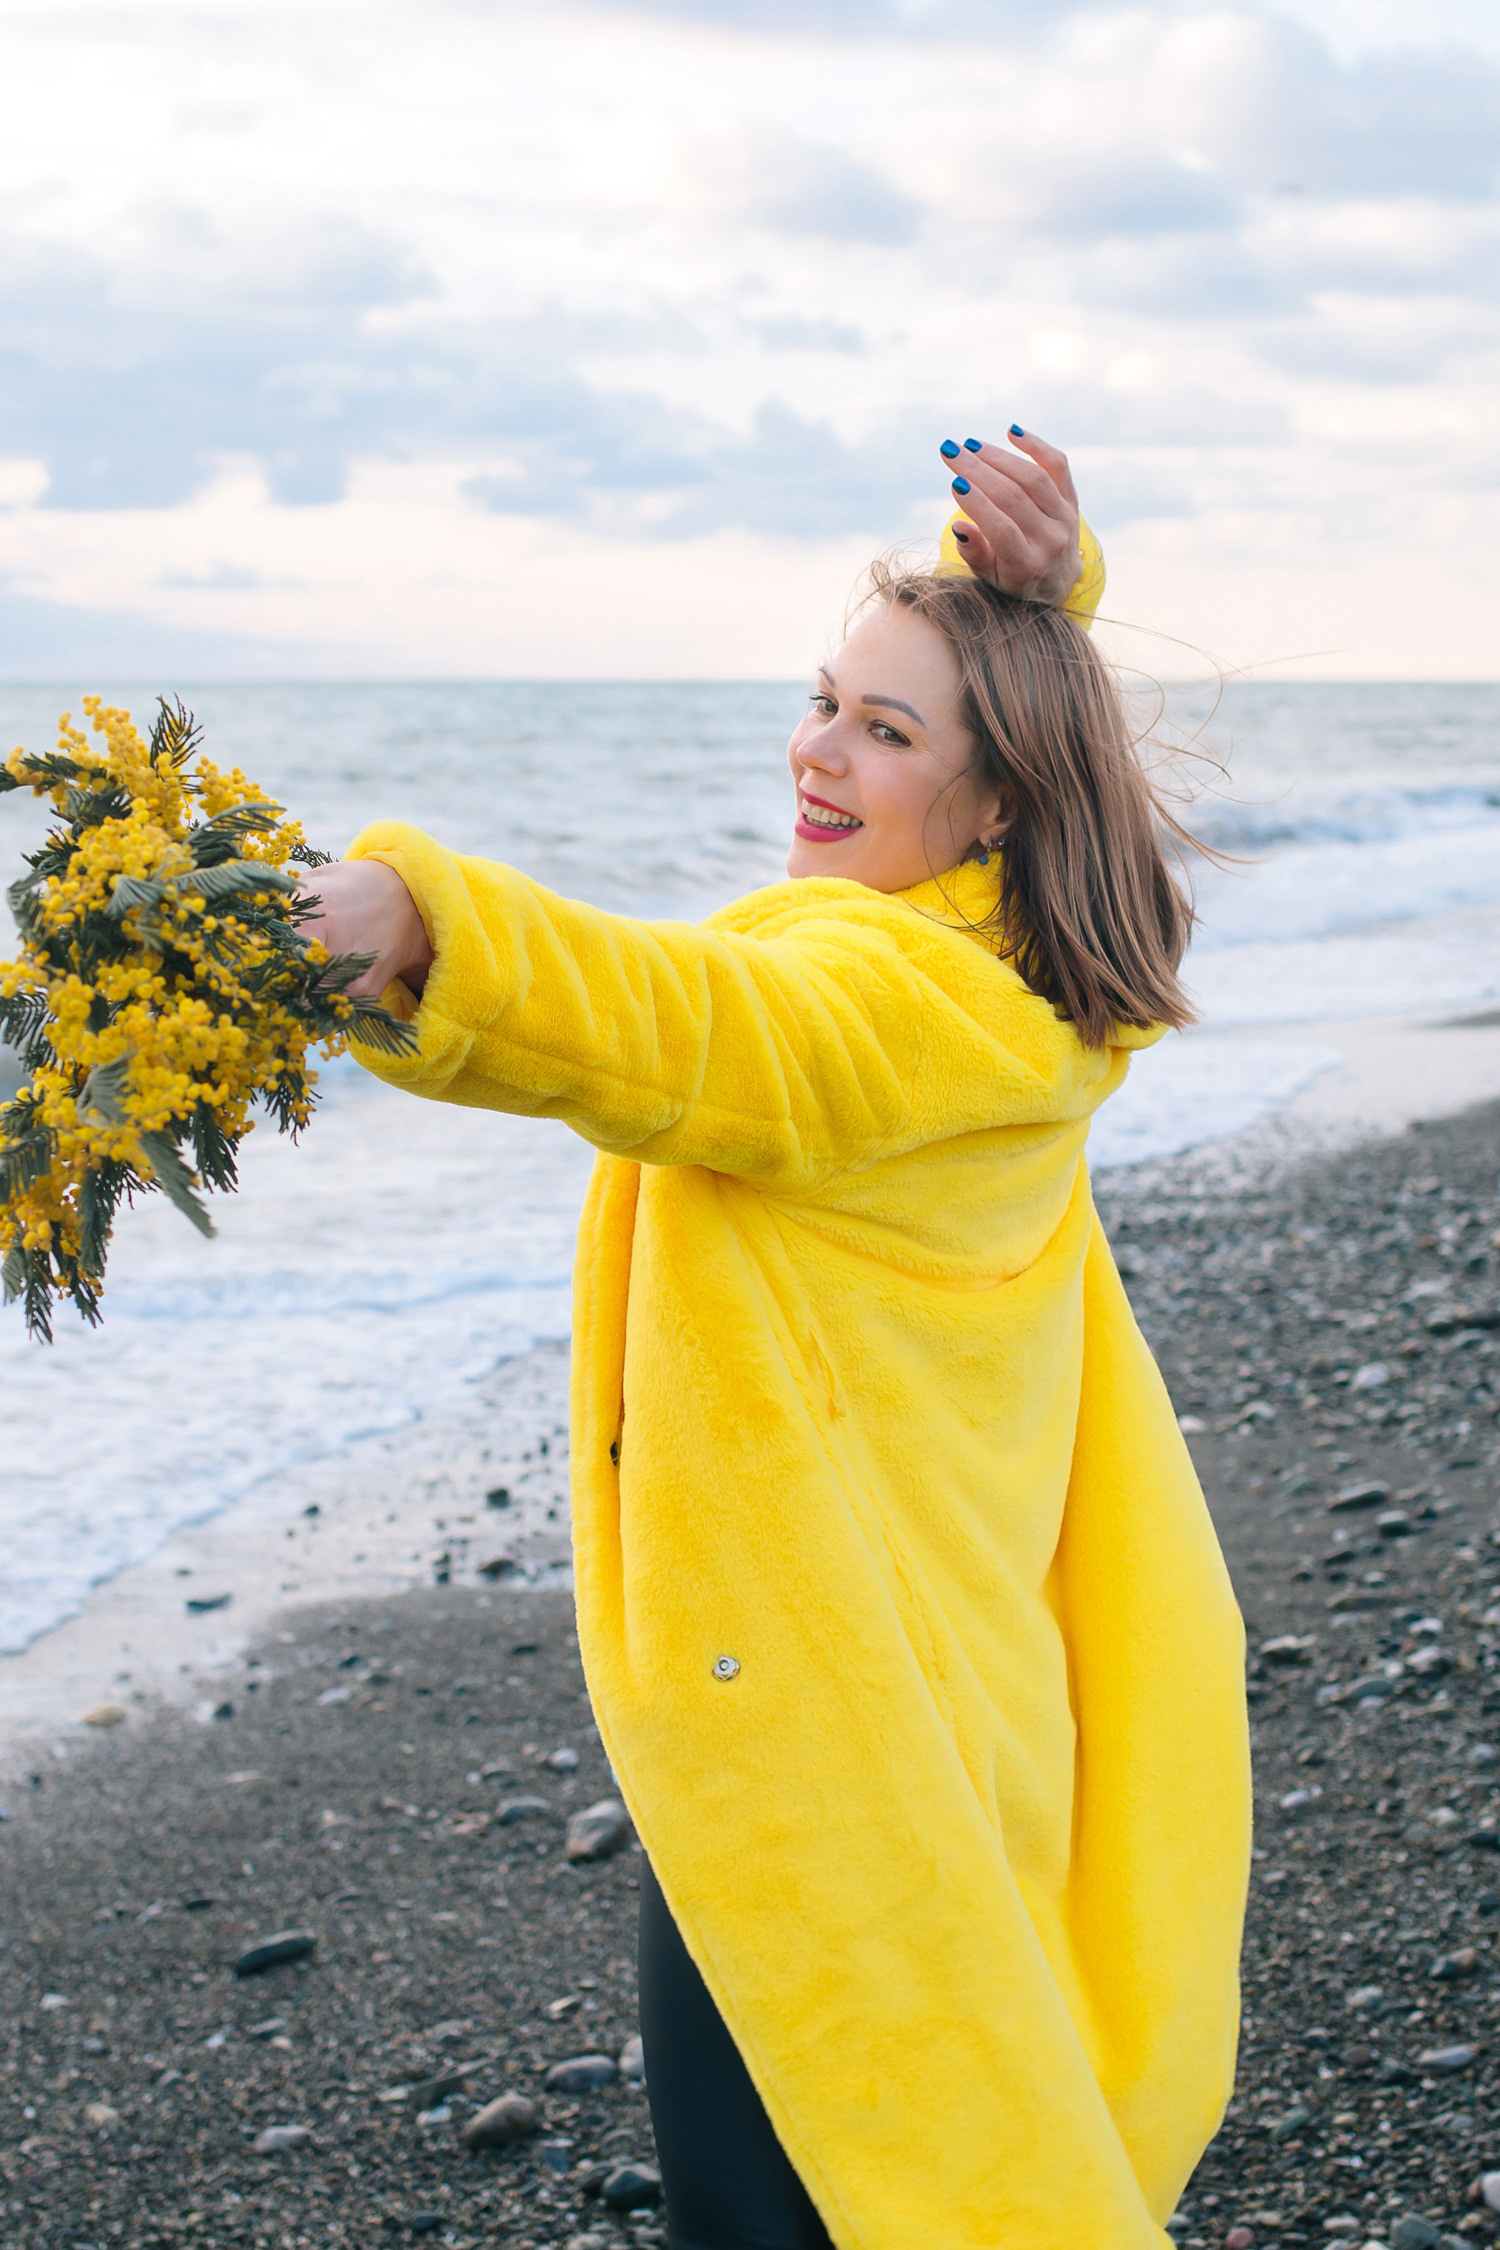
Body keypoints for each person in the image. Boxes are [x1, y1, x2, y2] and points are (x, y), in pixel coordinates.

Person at [301, 430, 1250, 2250]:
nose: (818, 750)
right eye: (826, 700)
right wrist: (1047, 602)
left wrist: (430, 928)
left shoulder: (905, 1012)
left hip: (826, 1729)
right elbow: (772, 979)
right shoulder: (1018, 983)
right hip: (927, 1671)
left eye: (885, 732)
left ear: (997, 806)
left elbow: (692, 1024)